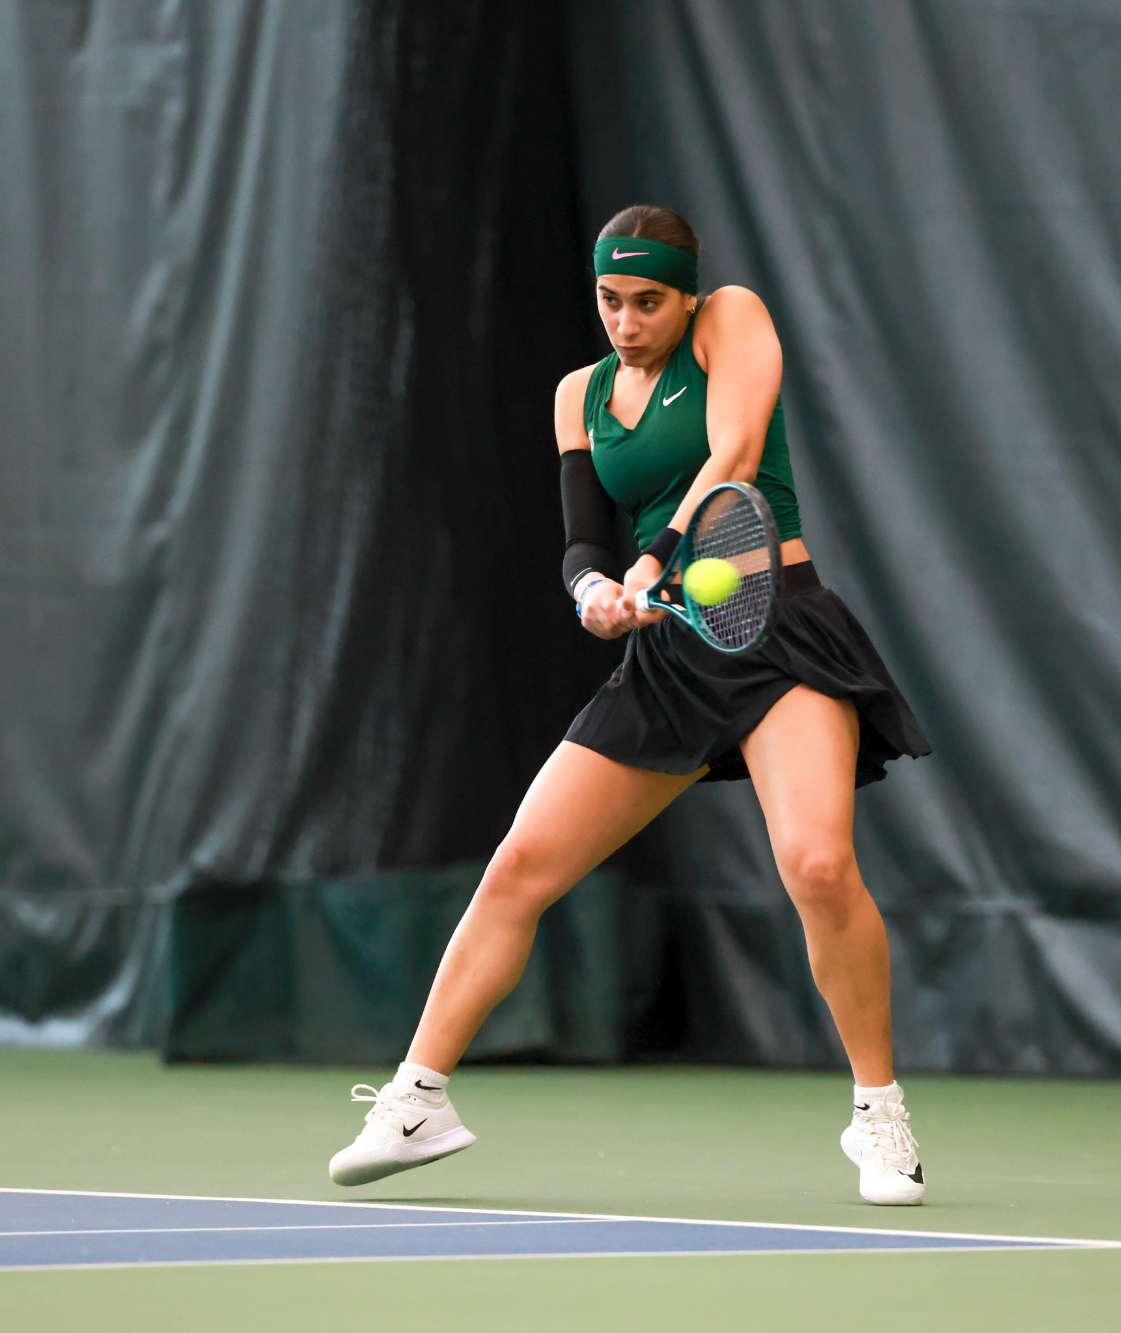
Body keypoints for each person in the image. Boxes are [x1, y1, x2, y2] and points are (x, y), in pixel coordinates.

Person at [328, 205, 933, 1205]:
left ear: (684, 294)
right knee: (519, 863)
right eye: (609, 298)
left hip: (778, 627)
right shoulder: (580, 393)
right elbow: (578, 539)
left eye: (645, 300)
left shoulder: (731, 319)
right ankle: (417, 1098)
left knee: (817, 864)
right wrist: (592, 593)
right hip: (671, 653)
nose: (623, 318)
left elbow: (735, 453)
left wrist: (651, 556)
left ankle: (879, 1116)